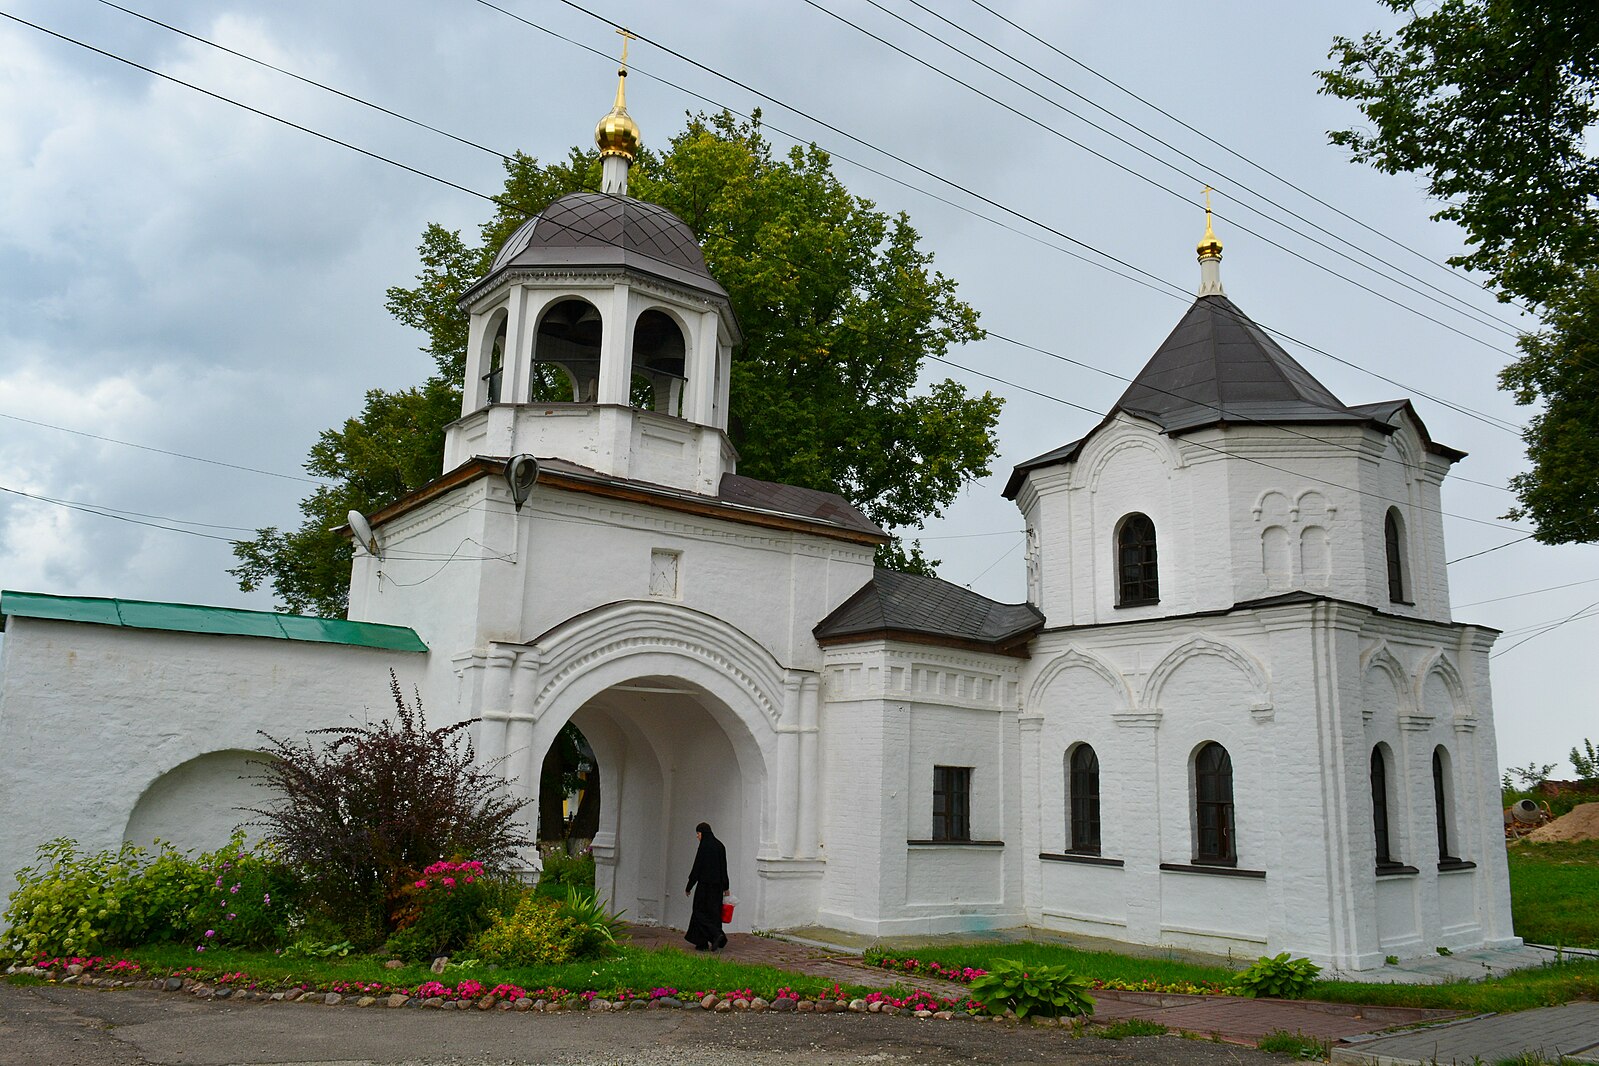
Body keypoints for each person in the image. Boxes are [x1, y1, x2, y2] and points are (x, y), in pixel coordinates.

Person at [684, 821, 729, 951]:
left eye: (698, 834)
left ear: (702, 833)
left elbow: (697, 868)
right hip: (718, 887)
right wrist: (726, 887)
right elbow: (723, 868)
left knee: (699, 912)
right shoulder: (720, 846)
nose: (697, 837)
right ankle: (701, 942)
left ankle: (717, 935)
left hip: (704, 887)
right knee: (713, 913)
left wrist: (689, 885)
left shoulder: (704, 847)